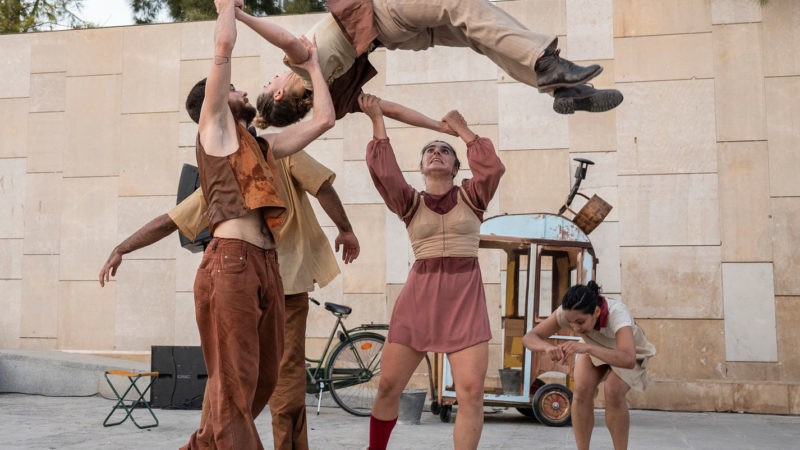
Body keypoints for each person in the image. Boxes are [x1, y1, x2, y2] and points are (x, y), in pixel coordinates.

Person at [99, 149, 358, 450]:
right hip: (273, 281)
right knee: (276, 376)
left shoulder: (229, 173)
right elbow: (322, 186)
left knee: (226, 373)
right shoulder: (279, 154)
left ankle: (209, 444)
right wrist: (346, 230)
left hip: (255, 280)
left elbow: (172, 220)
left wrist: (122, 248)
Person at [172, 0, 335, 447]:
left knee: (262, 380)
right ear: (215, 99)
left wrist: (315, 67)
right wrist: (228, 7)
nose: (243, 92)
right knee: (234, 388)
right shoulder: (215, 131)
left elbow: (325, 118)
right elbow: (223, 46)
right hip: (232, 265)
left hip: (267, 267)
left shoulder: (261, 147)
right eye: (234, 88)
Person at [358, 93, 504, 450]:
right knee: (389, 386)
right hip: (418, 299)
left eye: (445, 150)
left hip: (464, 299)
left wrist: (462, 131)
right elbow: (384, 171)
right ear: (421, 166)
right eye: (429, 151)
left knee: (470, 394)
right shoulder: (409, 202)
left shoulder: (473, 196)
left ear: (456, 167)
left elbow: (492, 168)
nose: (437, 152)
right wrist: (377, 118)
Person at [236, 0, 622, 129]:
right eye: (269, 82)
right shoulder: (303, 66)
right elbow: (285, 39)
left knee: (478, 34)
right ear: (281, 91)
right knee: (460, 4)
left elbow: (390, 110)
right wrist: (242, 15)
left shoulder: (331, 101)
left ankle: (559, 87)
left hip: (396, 38)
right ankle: (545, 62)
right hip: (383, 15)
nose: (272, 76)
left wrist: (436, 125)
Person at [521, 281, 656, 450]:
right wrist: (547, 347)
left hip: (628, 352)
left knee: (613, 391)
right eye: (571, 323)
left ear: (597, 312)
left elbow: (628, 359)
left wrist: (588, 347)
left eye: (580, 322)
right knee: (581, 390)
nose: (575, 328)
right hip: (592, 347)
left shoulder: (618, 314)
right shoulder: (568, 313)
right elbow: (529, 337)